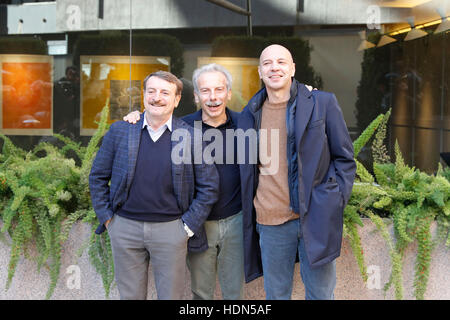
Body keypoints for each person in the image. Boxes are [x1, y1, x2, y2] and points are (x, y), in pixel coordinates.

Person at [238, 44, 356, 300]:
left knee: (321, 294)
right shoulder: (250, 114)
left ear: (292, 68)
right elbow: (210, 119)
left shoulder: (321, 103)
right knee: (276, 294)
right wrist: (138, 117)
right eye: (268, 63)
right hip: (271, 222)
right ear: (259, 72)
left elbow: (344, 158)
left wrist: (334, 201)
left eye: (281, 62)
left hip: (315, 216)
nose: (274, 67)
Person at [89, 70, 219, 300]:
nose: (157, 97)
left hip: (171, 230)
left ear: (177, 99)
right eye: (152, 91)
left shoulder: (191, 137)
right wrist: (109, 219)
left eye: (165, 92)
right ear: (144, 95)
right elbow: (98, 176)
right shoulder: (121, 131)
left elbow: (209, 188)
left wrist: (186, 228)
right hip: (125, 228)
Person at [123, 64, 245, 300]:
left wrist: (303, 92)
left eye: (219, 89)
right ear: (196, 96)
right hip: (198, 224)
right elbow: (154, 122)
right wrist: (136, 116)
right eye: (205, 91)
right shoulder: (182, 127)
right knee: (200, 292)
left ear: (228, 93)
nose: (213, 97)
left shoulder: (245, 124)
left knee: (235, 292)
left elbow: (276, 112)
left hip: (236, 220)